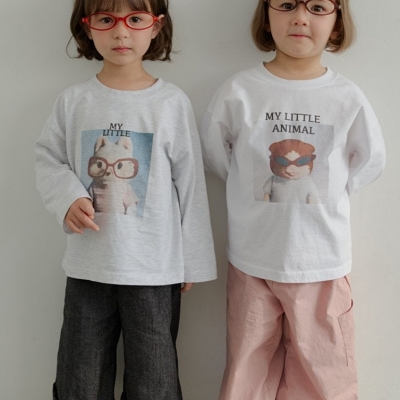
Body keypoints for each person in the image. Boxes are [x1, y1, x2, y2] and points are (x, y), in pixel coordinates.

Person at [200, 0, 385, 399]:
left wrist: (322, 196)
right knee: (247, 374)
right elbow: (216, 155)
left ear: (337, 23)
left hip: (321, 261)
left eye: (317, 7)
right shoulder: (239, 91)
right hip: (252, 258)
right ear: (267, 17)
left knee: (325, 377)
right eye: (286, 5)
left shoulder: (346, 97)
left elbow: (370, 161)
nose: (300, 17)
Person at [35, 0, 217, 399]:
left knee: (154, 379)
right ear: (88, 26)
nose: (121, 31)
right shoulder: (74, 101)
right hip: (88, 265)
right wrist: (68, 198)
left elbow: (190, 183)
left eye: (135, 19)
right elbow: (48, 158)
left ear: (156, 26)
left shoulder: (171, 103)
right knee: (80, 378)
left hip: (155, 269)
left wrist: (193, 260)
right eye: (106, 19)